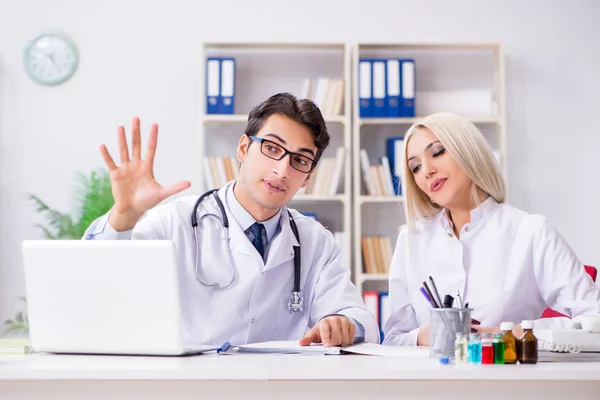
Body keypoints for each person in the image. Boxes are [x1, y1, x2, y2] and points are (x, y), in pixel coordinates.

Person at [84, 92, 379, 347]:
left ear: (308, 177)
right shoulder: (175, 222)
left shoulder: (315, 241)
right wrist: (123, 216)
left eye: (300, 160)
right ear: (243, 148)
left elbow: (360, 318)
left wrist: (343, 324)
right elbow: (99, 286)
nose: (282, 170)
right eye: (272, 148)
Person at [382, 112, 600, 346]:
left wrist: (513, 334)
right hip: (430, 380)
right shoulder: (411, 240)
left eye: (437, 152)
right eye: (415, 167)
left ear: (468, 150)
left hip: (507, 379)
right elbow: (393, 340)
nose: (426, 171)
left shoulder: (531, 231)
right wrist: (422, 337)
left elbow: (595, 320)